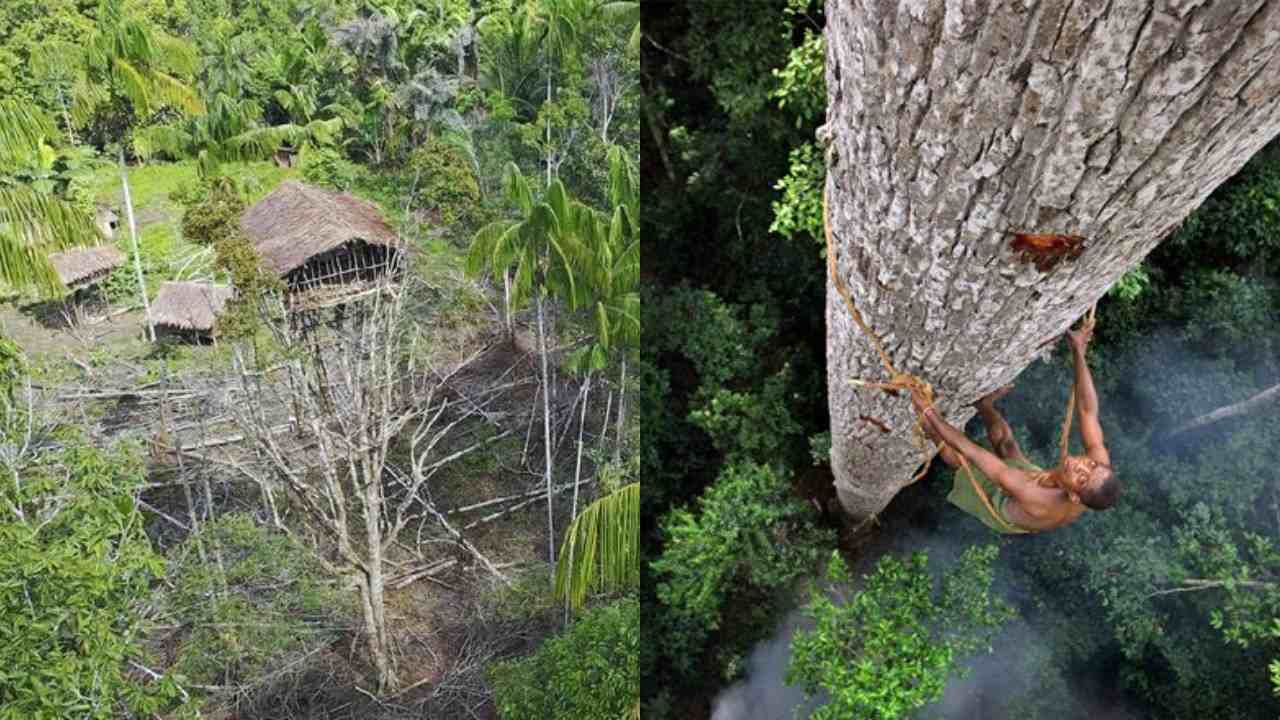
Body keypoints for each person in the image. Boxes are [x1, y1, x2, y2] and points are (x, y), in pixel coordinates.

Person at [910, 323, 1121, 533]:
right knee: (1008, 447)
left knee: (961, 461)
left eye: (1082, 479)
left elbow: (973, 452)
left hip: (1005, 509)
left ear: (1075, 496)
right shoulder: (1100, 469)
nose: (1082, 467)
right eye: (1091, 465)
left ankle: (922, 419)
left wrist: (929, 411)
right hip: (1047, 483)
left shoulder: (1035, 496)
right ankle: (983, 405)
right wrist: (1078, 350)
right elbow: (1087, 409)